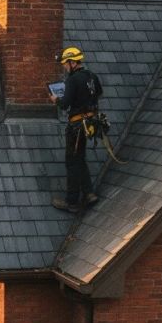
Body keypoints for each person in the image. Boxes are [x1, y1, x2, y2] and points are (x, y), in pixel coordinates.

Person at [49, 46, 103, 212]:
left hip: (77, 126)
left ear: (73, 62)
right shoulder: (91, 76)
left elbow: (64, 105)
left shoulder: (73, 80)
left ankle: (71, 201)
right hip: (90, 123)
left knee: (72, 161)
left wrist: (55, 99)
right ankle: (89, 193)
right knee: (80, 158)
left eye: (66, 64)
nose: (65, 67)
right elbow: (99, 93)